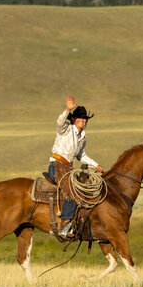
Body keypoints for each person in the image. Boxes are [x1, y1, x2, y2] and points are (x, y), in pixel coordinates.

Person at [48, 94, 103, 237]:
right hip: (57, 165)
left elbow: (81, 156)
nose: (82, 120)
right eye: (80, 118)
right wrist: (67, 109)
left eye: (84, 119)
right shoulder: (66, 128)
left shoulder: (83, 136)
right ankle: (64, 227)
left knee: (84, 186)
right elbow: (59, 123)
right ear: (73, 119)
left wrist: (95, 165)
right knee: (73, 190)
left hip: (68, 168)